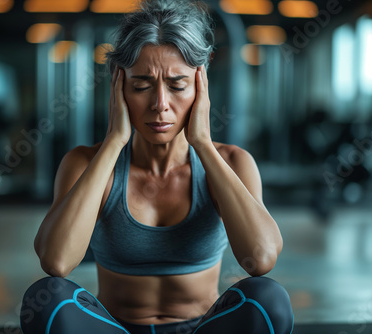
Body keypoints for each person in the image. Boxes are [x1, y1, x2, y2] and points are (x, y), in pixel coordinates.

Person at [20, 0, 294, 333]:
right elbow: (56, 260)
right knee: (47, 301)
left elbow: (262, 258)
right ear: (119, 85)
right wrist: (113, 142)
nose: (160, 105)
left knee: (268, 299)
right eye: (141, 86)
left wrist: (204, 146)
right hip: (115, 328)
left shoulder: (234, 162)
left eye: (177, 86)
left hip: (201, 329)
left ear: (199, 84)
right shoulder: (84, 163)